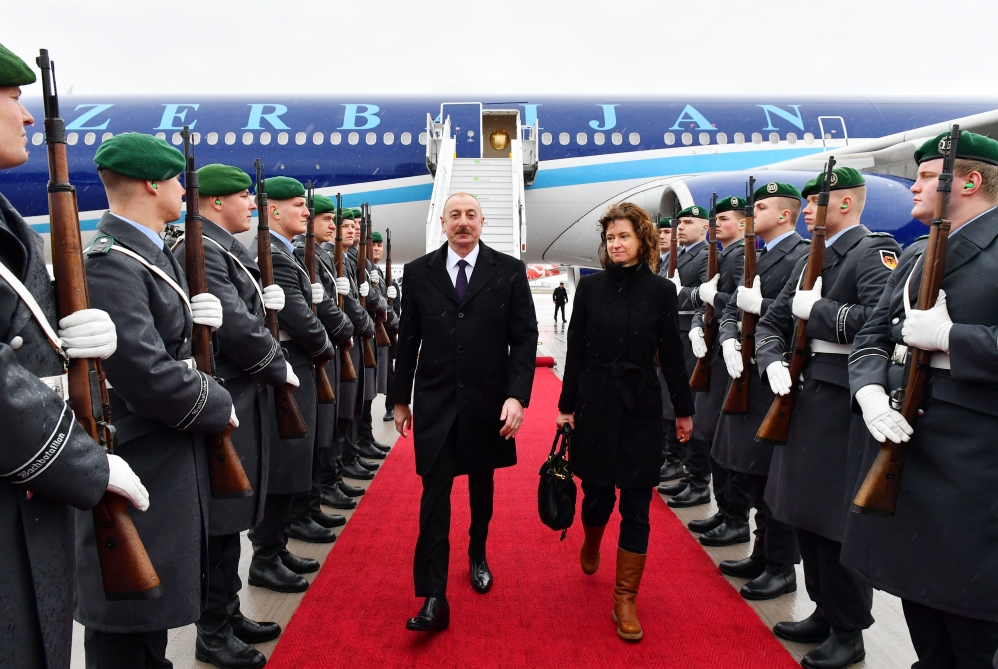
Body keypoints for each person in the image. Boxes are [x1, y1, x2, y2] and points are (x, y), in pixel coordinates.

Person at [0, 43, 147, 669]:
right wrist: (85, 463)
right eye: (12, 98)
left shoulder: (10, 222)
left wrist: (77, 320)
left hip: (33, 494)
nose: (27, 116)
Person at [77, 132, 235, 668]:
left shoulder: (148, 252)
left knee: (151, 613)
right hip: (142, 449)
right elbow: (144, 373)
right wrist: (217, 403)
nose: (183, 192)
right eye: (176, 181)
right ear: (152, 183)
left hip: (164, 450)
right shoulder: (111, 262)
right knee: (128, 619)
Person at [843, 131, 998, 667]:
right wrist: (867, 390)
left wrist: (954, 338)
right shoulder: (915, 251)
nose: (914, 186)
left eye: (928, 176)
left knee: (970, 615)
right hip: (908, 439)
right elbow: (872, 334)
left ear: (969, 181)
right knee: (920, 594)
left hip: (973, 458)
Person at [755, 168, 901, 669]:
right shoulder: (809, 258)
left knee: (837, 521)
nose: (808, 210)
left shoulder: (872, 251)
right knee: (804, 512)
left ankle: (848, 629)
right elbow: (774, 320)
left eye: (817, 201)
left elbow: (883, 322)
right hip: (804, 394)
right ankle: (823, 609)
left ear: (844, 204)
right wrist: (770, 359)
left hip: (843, 402)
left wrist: (819, 311)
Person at [393, 192, 538, 631]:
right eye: (454, 215)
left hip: (487, 401)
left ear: (482, 221)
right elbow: (407, 340)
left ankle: (478, 552)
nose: (462, 222)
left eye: (470, 215)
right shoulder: (418, 272)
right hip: (436, 402)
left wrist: (517, 396)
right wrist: (399, 399)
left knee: (481, 486)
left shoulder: (508, 271)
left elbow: (525, 337)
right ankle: (434, 596)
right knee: (434, 496)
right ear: (442, 223)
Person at [175, 164, 298, 669]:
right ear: (216, 202)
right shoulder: (203, 247)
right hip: (227, 392)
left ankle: (226, 612)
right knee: (220, 517)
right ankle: (213, 629)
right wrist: (277, 364)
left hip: (241, 392)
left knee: (231, 513)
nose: (252, 204)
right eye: (244, 196)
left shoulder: (224, 248)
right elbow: (236, 324)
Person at [557, 201, 695, 642]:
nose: (616, 244)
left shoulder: (661, 291)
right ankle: (592, 539)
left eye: (624, 236)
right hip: (595, 401)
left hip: (641, 404)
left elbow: (672, 356)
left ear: (642, 240)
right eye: (610, 238)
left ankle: (625, 598)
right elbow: (575, 350)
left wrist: (684, 410)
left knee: (637, 506)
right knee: (597, 498)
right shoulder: (590, 288)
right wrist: (565, 407)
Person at [713, 182, 808, 601]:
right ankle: (762, 551)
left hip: (777, 376)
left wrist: (760, 307)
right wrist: (728, 338)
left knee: (774, 479)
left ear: (785, 215)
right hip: (747, 373)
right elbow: (733, 306)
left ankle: (781, 566)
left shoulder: (803, 254)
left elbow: (796, 316)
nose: (753, 215)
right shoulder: (758, 254)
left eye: (762, 207)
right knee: (751, 470)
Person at [247, 176, 336, 593]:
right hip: (289, 368)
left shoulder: (287, 253)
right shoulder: (276, 256)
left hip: (297, 367)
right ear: (274, 211)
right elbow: (300, 318)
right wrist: (326, 345)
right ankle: (265, 556)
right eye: (298, 204)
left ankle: (276, 548)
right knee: (282, 466)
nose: (306, 211)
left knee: (293, 460)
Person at [292, 193, 355, 529]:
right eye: (327, 220)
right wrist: (346, 328)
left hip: (328, 347)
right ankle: (306, 507)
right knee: (313, 436)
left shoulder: (322, 256)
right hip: (317, 351)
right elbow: (314, 310)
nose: (334, 227)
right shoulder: (301, 254)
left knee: (330, 424)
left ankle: (319, 494)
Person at [687, 195, 745, 539]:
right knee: (711, 432)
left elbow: (739, 304)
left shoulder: (740, 256)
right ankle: (725, 511)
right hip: (713, 349)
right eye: (715, 219)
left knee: (723, 437)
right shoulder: (724, 255)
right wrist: (698, 322)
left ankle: (734, 517)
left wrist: (713, 300)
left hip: (729, 354)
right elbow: (708, 303)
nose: (717, 224)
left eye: (724, 219)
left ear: (742, 223)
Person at [660, 205, 710, 506]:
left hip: (689, 332)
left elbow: (706, 295)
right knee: (668, 399)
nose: (680, 227)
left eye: (688, 222)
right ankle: (674, 459)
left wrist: (678, 293)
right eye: (679, 222)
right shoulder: (675, 255)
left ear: (704, 228)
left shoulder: (706, 255)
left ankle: (693, 474)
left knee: (686, 403)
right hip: (670, 332)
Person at [332, 209, 380, 483]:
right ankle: (340, 465)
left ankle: (351, 453)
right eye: (347, 226)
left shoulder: (351, 258)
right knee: (344, 408)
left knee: (355, 401)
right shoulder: (335, 256)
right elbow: (347, 303)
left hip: (355, 337)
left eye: (356, 226)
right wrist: (365, 325)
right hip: (346, 339)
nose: (353, 230)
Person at [655, 216, 684, 485]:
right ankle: (668, 456)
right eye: (660, 231)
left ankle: (678, 463)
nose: (663, 236)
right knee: (663, 402)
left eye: (668, 231)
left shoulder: (693, 256)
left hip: (686, 336)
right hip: (665, 336)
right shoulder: (662, 261)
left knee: (674, 403)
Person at [370, 231, 400, 423]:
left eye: (379, 245)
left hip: (384, 330)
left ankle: (391, 406)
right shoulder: (368, 271)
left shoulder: (379, 272)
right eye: (373, 245)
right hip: (372, 331)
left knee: (389, 371)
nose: (377, 249)